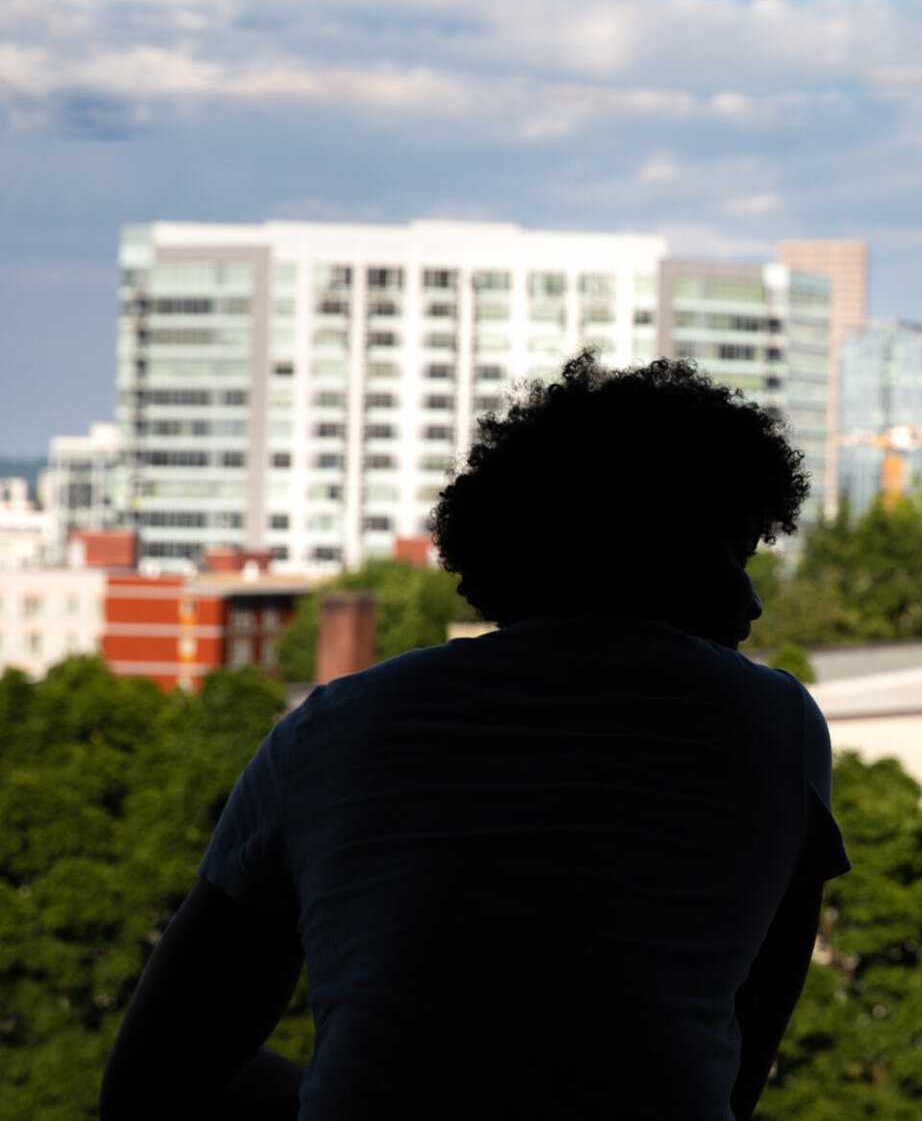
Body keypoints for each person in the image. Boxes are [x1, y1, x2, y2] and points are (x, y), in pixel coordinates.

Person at [101, 353, 850, 1121]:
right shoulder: (775, 725)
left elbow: (152, 1078)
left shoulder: (328, 731)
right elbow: (740, 1063)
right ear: (662, 554)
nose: (753, 601)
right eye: (736, 556)